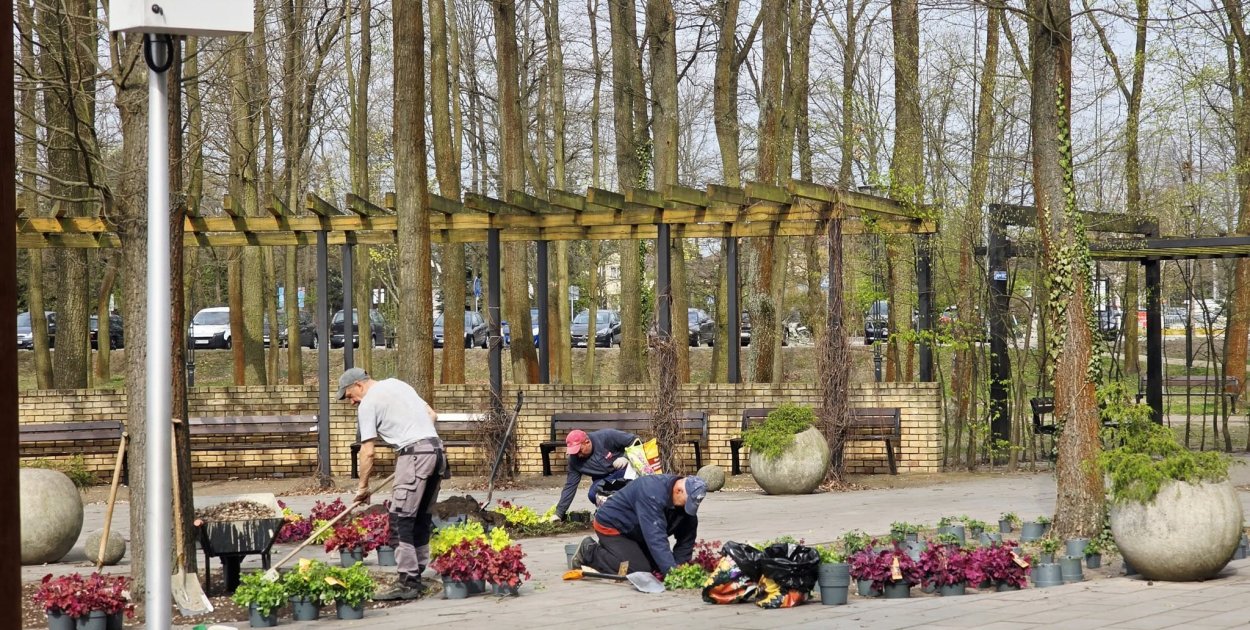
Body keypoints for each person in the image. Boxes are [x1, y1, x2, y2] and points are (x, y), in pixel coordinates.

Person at [338, 367, 447, 601]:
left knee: (400, 520)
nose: (351, 402)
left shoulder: (368, 403)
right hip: (436, 451)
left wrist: (363, 488)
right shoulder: (398, 384)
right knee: (419, 517)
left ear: (359, 385)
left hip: (415, 456)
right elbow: (432, 415)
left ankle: (408, 582)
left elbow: (367, 452)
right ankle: (416, 573)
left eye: (349, 396)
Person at [570, 474, 706, 577]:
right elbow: (655, 538)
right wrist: (672, 573)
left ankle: (617, 551)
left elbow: (686, 540)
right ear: (678, 491)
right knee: (638, 569)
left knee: (657, 565)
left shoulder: (683, 503)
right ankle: (590, 552)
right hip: (613, 527)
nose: (688, 508)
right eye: (687, 503)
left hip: (636, 531)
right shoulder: (651, 492)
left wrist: (681, 568)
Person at [553, 428, 640, 520]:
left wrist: (625, 457)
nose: (578, 455)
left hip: (623, 471)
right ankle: (614, 514)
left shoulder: (606, 436)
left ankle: (635, 509)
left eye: (579, 450)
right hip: (603, 480)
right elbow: (570, 486)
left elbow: (635, 440)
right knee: (593, 494)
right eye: (574, 452)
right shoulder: (574, 461)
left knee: (630, 486)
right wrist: (558, 513)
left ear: (587, 442)